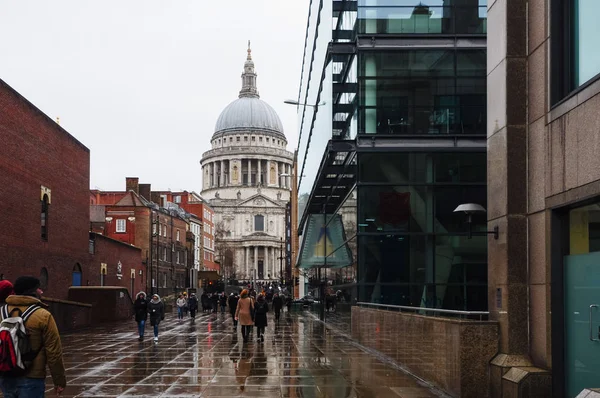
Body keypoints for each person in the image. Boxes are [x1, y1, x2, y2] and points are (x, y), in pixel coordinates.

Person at [0, 276, 66, 397]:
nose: (41, 291)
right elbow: (54, 352)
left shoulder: (1, 312)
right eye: (38, 288)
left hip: (6, 376)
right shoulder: (43, 315)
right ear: (31, 291)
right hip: (32, 377)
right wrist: (59, 381)